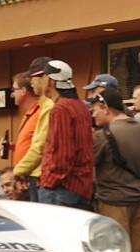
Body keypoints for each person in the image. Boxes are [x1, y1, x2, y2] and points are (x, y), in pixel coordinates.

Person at [90, 88, 140, 252]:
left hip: (113, 200)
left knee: (113, 250)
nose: (93, 114)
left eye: (95, 110)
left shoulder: (103, 135)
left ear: (106, 108)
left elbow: (90, 162)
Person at [30, 59, 93, 209]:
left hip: (62, 189)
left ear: (50, 81)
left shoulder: (61, 109)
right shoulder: (80, 106)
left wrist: (47, 182)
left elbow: (61, 155)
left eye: (44, 77)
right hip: (82, 186)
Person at [9, 70, 48, 201]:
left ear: (24, 91)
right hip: (26, 177)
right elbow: (31, 143)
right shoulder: (30, 113)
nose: (12, 94)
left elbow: (40, 147)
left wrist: (18, 171)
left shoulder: (40, 112)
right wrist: (13, 147)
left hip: (34, 178)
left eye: (14, 89)